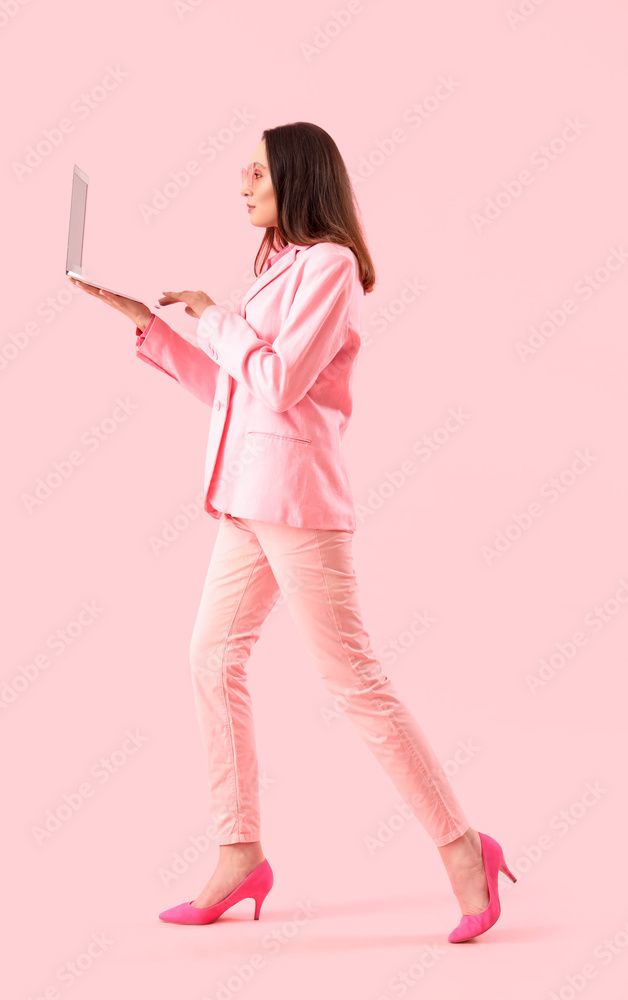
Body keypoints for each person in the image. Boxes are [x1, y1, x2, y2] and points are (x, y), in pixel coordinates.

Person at [69, 121, 516, 943]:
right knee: (211, 655)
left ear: (299, 182)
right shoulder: (277, 267)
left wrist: (211, 314)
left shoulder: (331, 267)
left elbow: (276, 382)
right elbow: (237, 391)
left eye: (259, 172)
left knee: (353, 680)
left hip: (300, 501)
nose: (242, 181)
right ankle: (239, 854)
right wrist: (150, 326)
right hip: (250, 497)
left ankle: (464, 850)